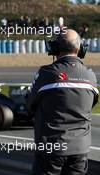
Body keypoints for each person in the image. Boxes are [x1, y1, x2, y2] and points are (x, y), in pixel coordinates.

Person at [27, 29, 99, 175]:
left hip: (51, 149)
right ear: (80, 49)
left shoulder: (46, 73)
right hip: (80, 150)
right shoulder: (90, 76)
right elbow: (92, 103)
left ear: (54, 49)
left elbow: (30, 104)